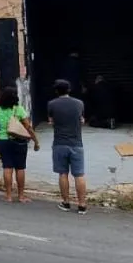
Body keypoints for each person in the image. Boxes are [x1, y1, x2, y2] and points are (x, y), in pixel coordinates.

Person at [48, 79, 88, 214]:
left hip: (59, 143)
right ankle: (82, 205)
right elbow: (82, 120)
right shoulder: (79, 103)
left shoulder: (52, 104)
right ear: (69, 90)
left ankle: (66, 202)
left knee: (63, 174)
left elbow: (51, 121)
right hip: (76, 143)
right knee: (79, 174)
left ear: (56, 91)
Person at [0, 85, 38, 203]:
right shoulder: (19, 109)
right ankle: (21, 196)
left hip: (2, 140)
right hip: (18, 141)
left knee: (7, 167)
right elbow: (28, 127)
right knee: (20, 168)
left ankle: (8, 196)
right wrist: (35, 141)